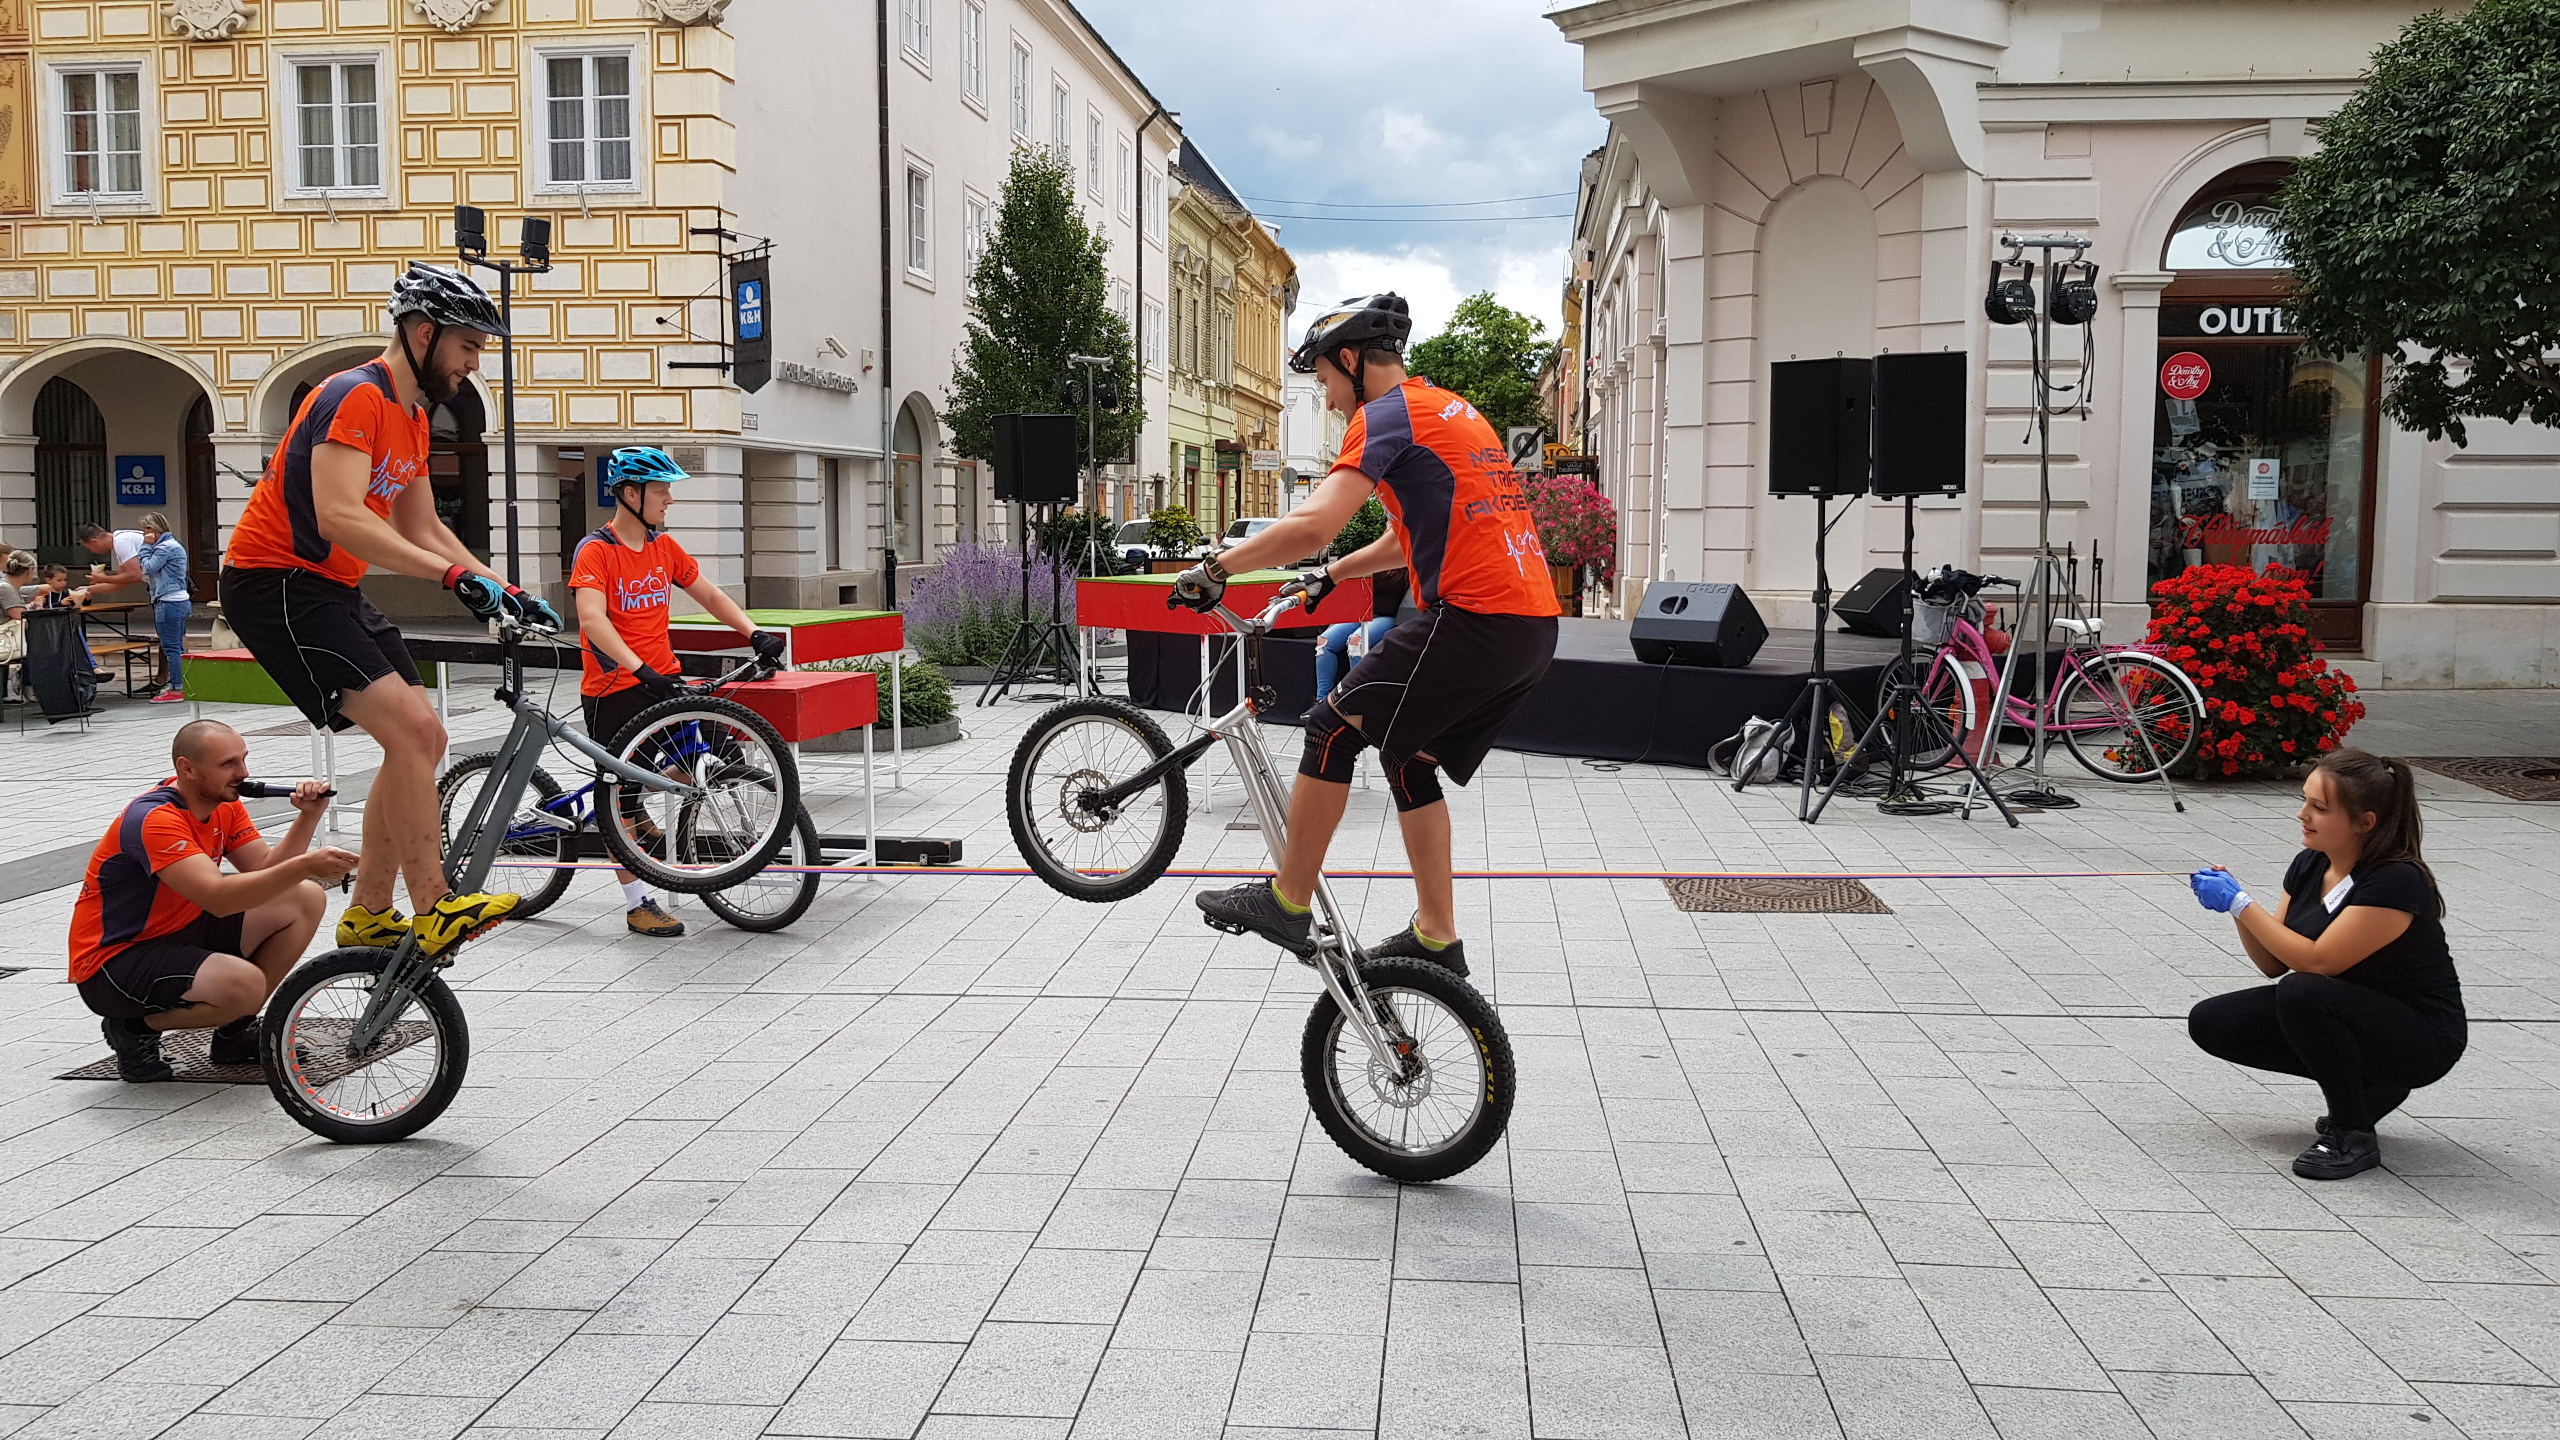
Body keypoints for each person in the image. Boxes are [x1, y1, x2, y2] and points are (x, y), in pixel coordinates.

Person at [1176, 294, 1560, 978]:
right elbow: (1398, 536)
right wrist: (1330, 575)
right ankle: (1437, 933)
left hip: (1478, 618)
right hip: (1529, 627)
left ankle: (1288, 901)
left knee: (1330, 726)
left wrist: (1216, 567)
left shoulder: (1385, 415)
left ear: (1351, 361)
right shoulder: (1453, 410)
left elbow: (1313, 523)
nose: (1326, 400)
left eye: (1324, 380)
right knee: (1407, 759)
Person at [220, 262, 557, 960]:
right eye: (468, 345)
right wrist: (451, 577)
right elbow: (342, 516)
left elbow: (425, 526)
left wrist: (504, 587)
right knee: (408, 730)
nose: (474, 362)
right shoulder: (355, 396)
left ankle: (371, 912)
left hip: (330, 588)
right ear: (424, 333)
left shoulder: (411, 416)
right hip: (274, 581)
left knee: (426, 737)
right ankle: (435, 904)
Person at [2186, 748, 2465, 1180]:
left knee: (2304, 991)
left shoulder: (2395, 880)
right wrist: (2235, 908)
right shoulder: (2310, 863)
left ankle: (2352, 1133)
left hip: (2422, 1034)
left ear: (2364, 822)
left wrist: (2243, 903)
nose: (2303, 814)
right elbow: (2273, 961)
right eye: (2305, 801)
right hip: (2349, 1011)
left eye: (2319, 808)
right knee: (2213, 1021)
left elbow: (2318, 961)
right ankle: (2366, 1088)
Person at [568, 446, 785, 937]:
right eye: (661, 490)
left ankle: (639, 809)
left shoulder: (664, 547)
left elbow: (708, 593)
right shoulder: (597, 551)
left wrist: (753, 633)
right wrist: (638, 668)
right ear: (630, 494)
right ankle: (637, 901)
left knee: (700, 759)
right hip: (615, 688)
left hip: (663, 681)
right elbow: (592, 620)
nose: (669, 499)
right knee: (615, 798)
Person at [70, 719, 357, 1081]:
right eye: (228, 764)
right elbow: (220, 899)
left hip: (181, 929)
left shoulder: (223, 801)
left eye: (243, 759)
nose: (243, 772)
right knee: (246, 985)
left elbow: (264, 869)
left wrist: (309, 816)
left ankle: (233, 1034)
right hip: (114, 962)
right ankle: (133, 1030)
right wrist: (306, 864)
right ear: (186, 768)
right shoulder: (155, 820)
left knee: (304, 898)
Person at [1312, 565, 1407, 707]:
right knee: (1324, 642)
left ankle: (1357, 701)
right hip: (1363, 613)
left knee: (1356, 642)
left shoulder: (1409, 569)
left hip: (1389, 615)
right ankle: (1321, 700)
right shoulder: (1376, 562)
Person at [139, 513, 193, 703]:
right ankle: (184, 684)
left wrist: (145, 547)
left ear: (153, 530)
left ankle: (177, 689)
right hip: (179, 600)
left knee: (171, 648)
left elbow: (148, 567)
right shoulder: (174, 545)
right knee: (177, 645)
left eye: (145, 529)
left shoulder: (164, 548)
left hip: (169, 602)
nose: (144, 534)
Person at [77, 521, 148, 603]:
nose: (92, 551)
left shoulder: (121, 542)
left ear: (94, 542)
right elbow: (123, 582)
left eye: (90, 548)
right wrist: (88, 589)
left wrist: (104, 578)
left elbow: (135, 575)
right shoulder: (120, 540)